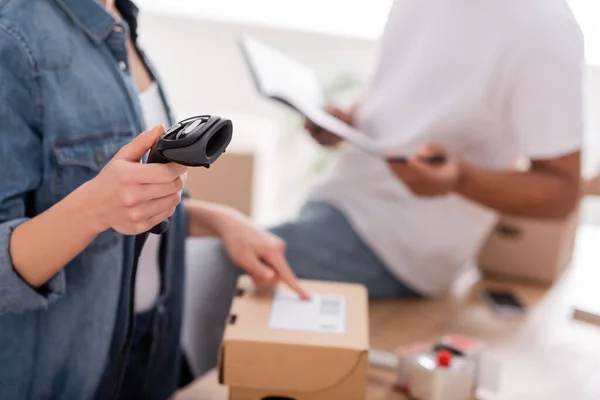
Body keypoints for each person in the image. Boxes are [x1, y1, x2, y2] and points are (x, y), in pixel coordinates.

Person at [183, 0, 584, 377]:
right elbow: (408, 97)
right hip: (341, 201)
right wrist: (346, 119)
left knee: (217, 263)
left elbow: (561, 191)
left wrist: (459, 179)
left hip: (399, 241)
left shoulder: (543, 27)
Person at [0, 0, 307, 399]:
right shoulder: (13, 36)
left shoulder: (120, 18)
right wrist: (93, 208)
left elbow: (129, 194)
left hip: (153, 345)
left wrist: (220, 221)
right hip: (68, 370)